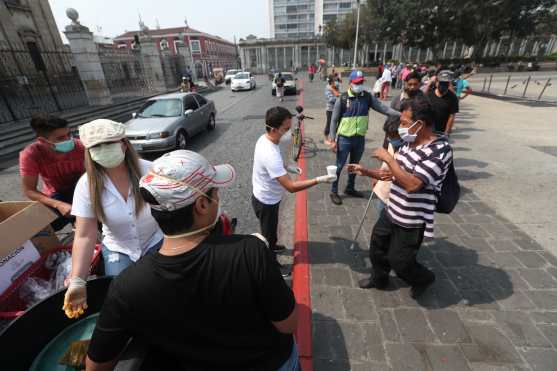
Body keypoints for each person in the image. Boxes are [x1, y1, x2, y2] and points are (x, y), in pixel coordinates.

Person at [84, 150, 300, 371]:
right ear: (202, 205)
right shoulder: (250, 251)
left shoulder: (127, 284)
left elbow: (96, 365)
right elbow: (289, 324)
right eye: (214, 192)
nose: (218, 198)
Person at [352, 96, 453, 299]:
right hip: (392, 210)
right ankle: (379, 278)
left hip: (411, 219)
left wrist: (388, 158)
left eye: (405, 123)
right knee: (377, 248)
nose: (401, 127)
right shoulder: (409, 144)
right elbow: (393, 174)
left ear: (420, 124)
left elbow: (413, 184)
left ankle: (424, 278)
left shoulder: (439, 151)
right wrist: (368, 172)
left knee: (401, 262)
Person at [63, 119, 163, 319]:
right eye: (96, 146)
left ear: (124, 144)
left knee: (162, 291)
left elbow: (173, 210)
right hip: (120, 247)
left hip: (157, 240)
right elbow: (84, 235)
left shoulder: (152, 170)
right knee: (122, 296)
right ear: (89, 152)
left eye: (109, 143)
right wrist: (77, 281)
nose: (103, 149)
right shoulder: (86, 185)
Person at [252, 107, 336, 262]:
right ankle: (271, 265)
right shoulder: (269, 152)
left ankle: (274, 244)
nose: (290, 133)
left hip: (268, 196)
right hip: (266, 202)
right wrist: (319, 179)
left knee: (272, 229)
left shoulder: (265, 139)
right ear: (274, 129)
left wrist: (286, 167)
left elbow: (274, 163)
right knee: (267, 236)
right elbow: (290, 187)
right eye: (286, 129)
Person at [327, 70, 400, 206]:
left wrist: (401, 115)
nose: (359, 85)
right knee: (338, 166)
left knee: (355, 166)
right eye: (356, 83)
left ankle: (350, 188)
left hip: (359, 139)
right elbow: (334, 120)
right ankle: (334, 190)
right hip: (344, 139)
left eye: (361, 82)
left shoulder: (367, 97)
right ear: (350, 83)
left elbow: (383, 108)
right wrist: (332, 140)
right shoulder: (342, 99)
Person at [19, 114, 85, 231]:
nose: (68, 140)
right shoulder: (30, 154)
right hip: (56, 195)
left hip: (84, 188)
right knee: (40, 227)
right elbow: (29, 190)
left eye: (68, 135)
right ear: (42, 141)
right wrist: (58, 204)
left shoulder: (80, 145)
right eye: (60, 138)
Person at [426, 70, 459, 135]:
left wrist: (446, 133)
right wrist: (428, 85)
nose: (443, 85)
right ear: (437, 82)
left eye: (446, 83)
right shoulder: (429, 95)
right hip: (428, 130)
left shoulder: (453, 97)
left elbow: (451, 116)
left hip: (442, 131)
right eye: (441, 83)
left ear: (449, 84)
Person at [324, 74, 340, 145]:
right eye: (335, 80)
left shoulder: (336, 86)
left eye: (336, 80)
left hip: (337, 108)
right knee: (329, 124)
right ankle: (326, 138)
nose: (336, 82)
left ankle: (333, 137)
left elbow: (339, 94)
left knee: (337, 124)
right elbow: (330, 99)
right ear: (331, 81)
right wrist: (338, 97)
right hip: (330, 109)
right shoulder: (328, 88)